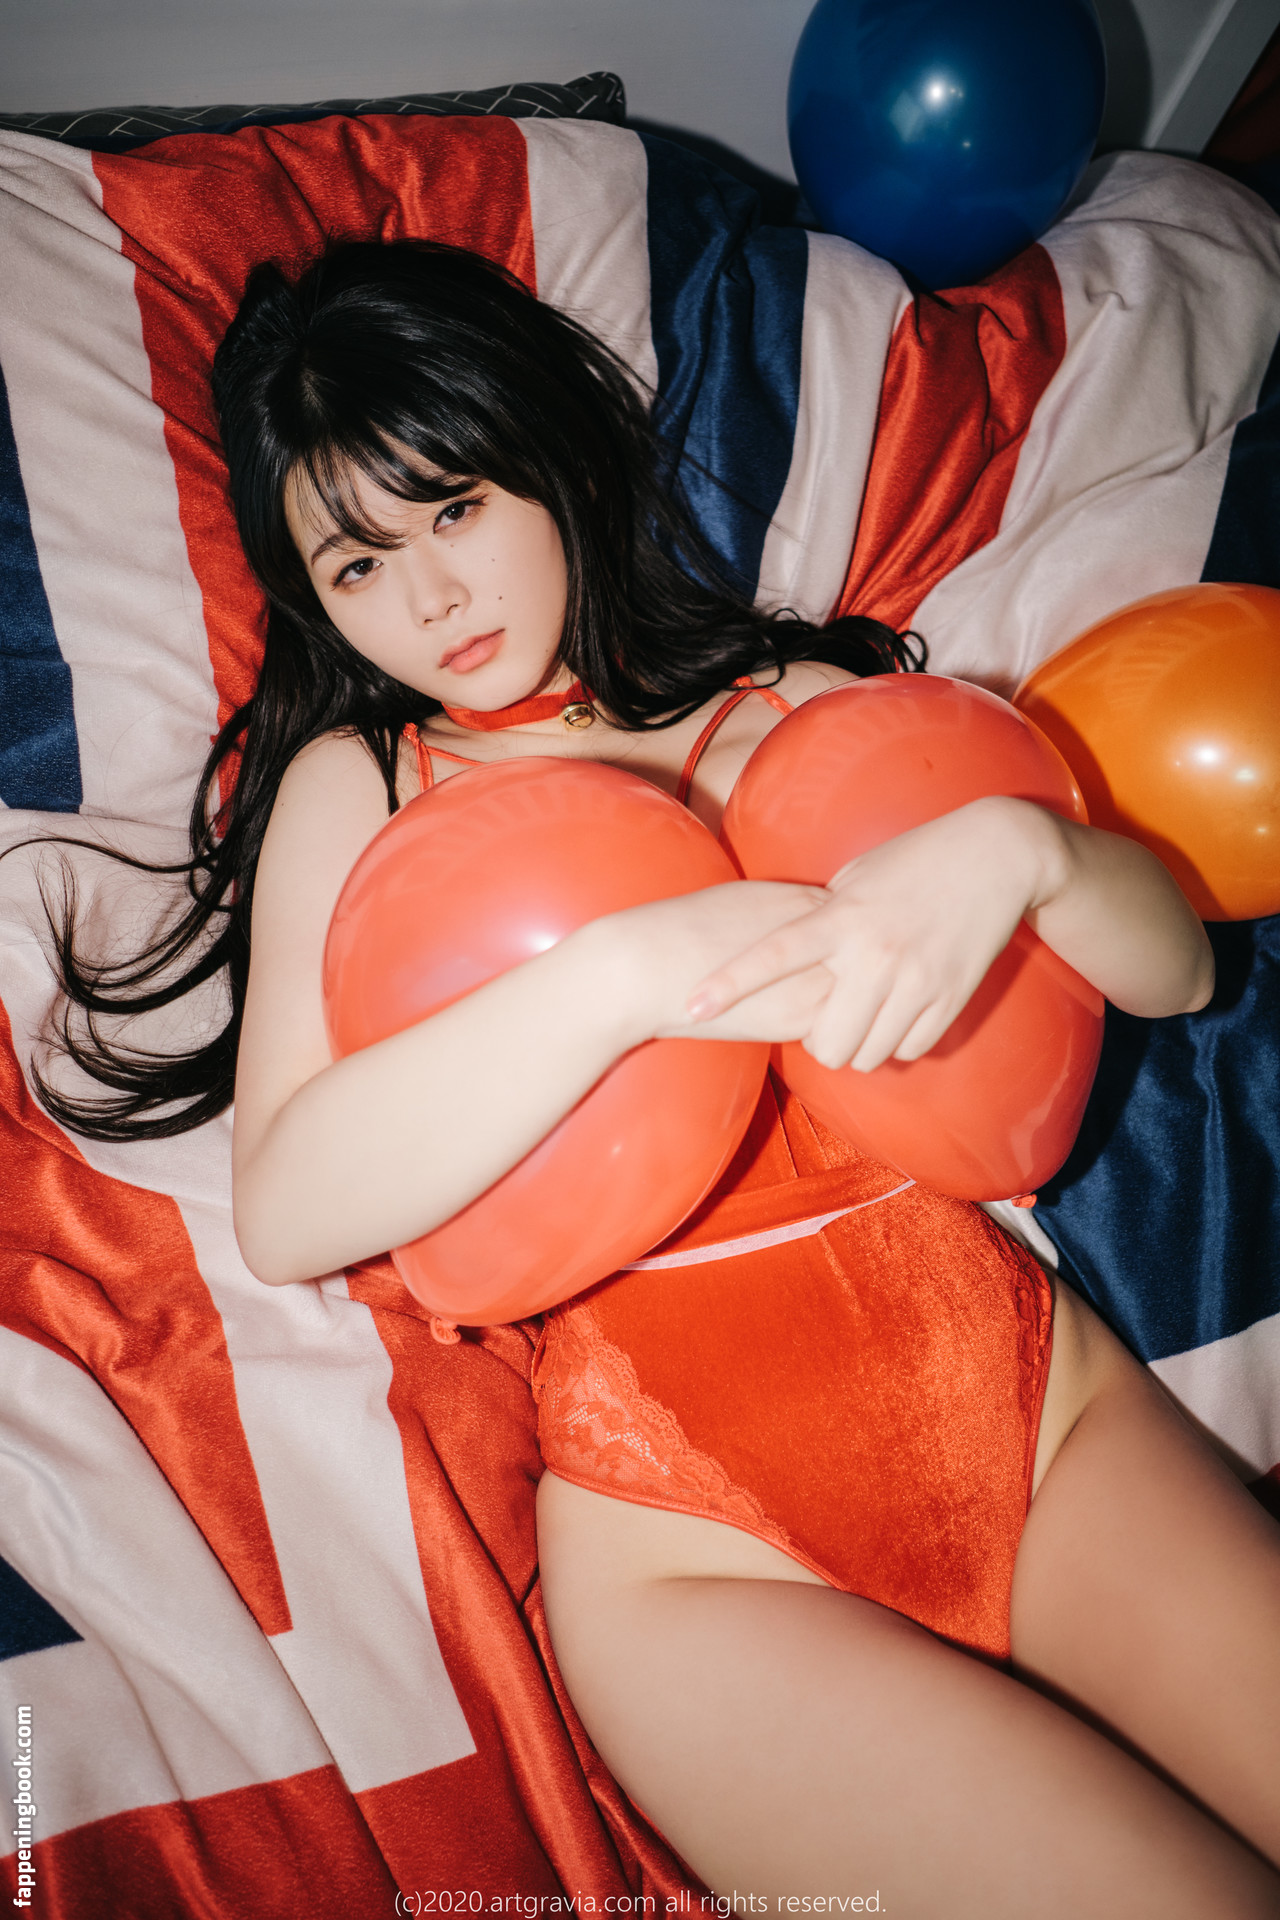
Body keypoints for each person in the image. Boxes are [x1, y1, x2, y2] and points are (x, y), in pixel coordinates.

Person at [43, 240, 1280, 1916]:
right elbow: (291, 1205)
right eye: (359, 562)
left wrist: (1028, 853)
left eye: (456, 508)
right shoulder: (366, 782)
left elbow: (1175, 970)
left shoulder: (796, 703)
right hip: (695, 1544)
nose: (430, 600)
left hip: (1036, 1413)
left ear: (550, 460)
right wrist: (626, 976)